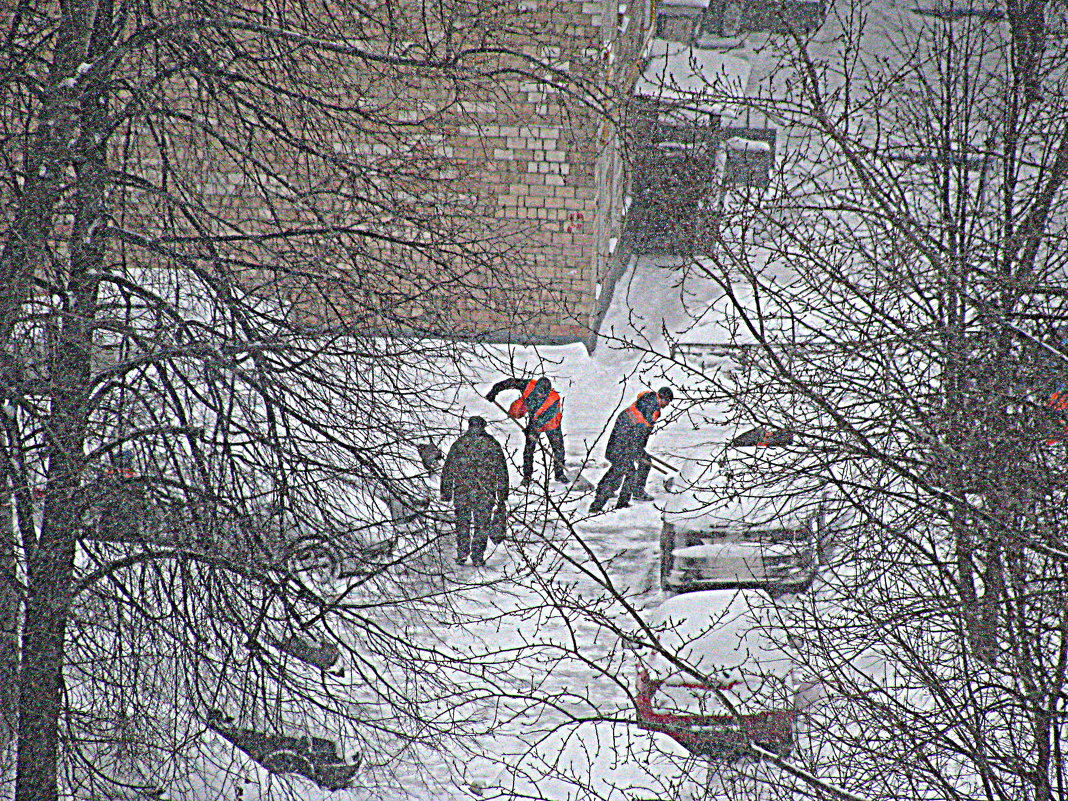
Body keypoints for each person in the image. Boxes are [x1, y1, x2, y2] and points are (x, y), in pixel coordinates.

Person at [589, 387, 674, 513]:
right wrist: (634, 448)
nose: (668, 405)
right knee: (623, 471)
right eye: (668, 401)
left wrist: (638, 448)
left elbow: (641, 432)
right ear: (662, 398)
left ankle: (633, 493)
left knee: (641, 463)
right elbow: (638, 430)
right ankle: (598, 505)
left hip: (627, 442)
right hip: (620, 444)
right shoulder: (649, 406)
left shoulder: (652, 406)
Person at [440, 416, 510, 566]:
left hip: (463, 491)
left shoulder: (459, 444)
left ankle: (462, 552)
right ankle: (477, 556)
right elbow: (502, 470)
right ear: (483, 426)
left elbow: (448, 469)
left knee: (462, 523)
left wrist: (446, 491)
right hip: (484, 492)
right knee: (482, 524)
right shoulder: (492, 444)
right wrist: (502, 494)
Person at [485, 376, 568, 485]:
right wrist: (495, 390)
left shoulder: (554, 399)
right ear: (536, 388)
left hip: (552, 424)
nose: (540, 395)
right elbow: (510, 382)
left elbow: (544, 418)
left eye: (543, 394)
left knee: (558, 449)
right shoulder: (528, 385)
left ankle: (559, 474)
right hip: (534, 420)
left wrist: (530, 428)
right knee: (529, 449)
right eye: (539, 392)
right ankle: (527, 476)